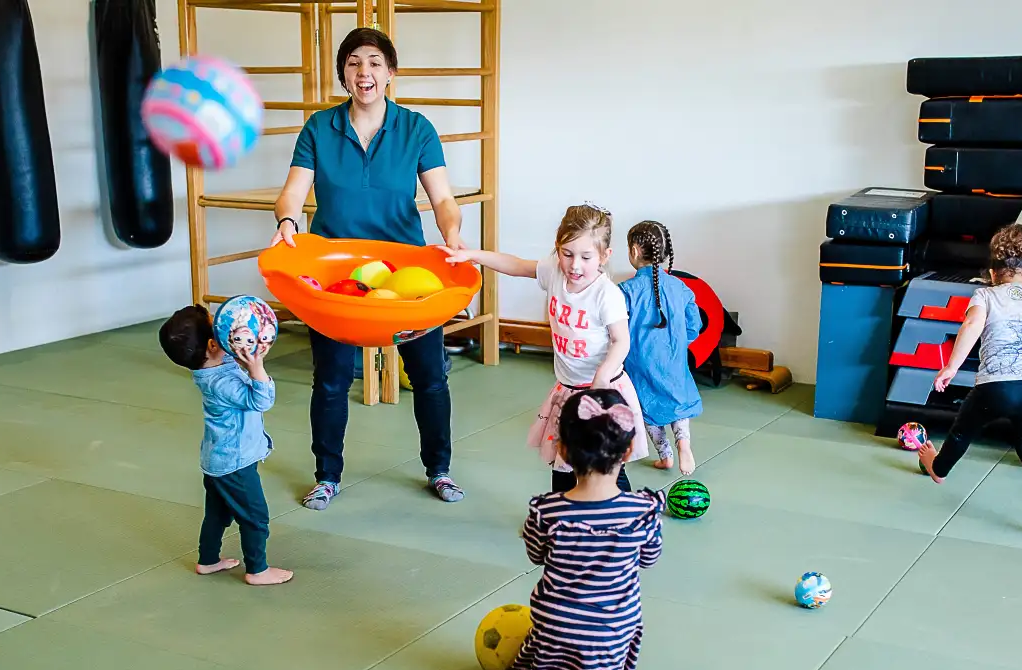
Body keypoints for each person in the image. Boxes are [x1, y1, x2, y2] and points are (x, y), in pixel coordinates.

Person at [268, 27, 466, 510]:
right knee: (331, 379)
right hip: (337, 276)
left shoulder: (416, 128)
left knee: (430, 377)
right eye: (354, 63)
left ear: (391, 73)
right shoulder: (319, 127)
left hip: (406, 274)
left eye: (375, 62)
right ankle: (327, 475)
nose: (365, 73)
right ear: (343, 74)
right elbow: (293, 191)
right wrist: (288, 220)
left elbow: (442, 198)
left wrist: (452, 234)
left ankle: (439, 470)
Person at [498, 388, 664, 670]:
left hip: (554, 622)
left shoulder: (546, 509)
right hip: (611, 628)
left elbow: (536, 556)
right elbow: (650, 559)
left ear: (564, 452)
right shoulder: (642, 511)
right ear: (626, 453)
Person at [440, 203, 648, 492]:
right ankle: (559, 521)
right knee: (563, 464)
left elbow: (621, 341)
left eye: (586, 257)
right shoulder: (555, 273)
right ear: (557, 247)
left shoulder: (606, 294)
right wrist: (472, 255)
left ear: (604, 256)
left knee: (605, 467)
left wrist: (602, 377)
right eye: (567, 254)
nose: (575, 265)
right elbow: (516, 265)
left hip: (602, 392)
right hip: (568, 390)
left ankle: (624, 519)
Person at [917, 223, 1022, 536]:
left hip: (995, 387)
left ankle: (939, 468)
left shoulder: (986, 295)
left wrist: (951, 366)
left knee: (963, 430)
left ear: (992, 274)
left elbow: (972, 326)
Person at [158, 305, 294, 586]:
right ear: (212, 344)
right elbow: (261, 401)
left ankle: (207, 561)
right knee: (255, 517)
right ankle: (257, 570)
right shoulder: (221, 383)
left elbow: (234, 362)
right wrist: (257, 368)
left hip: (217, 461)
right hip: (236, 464)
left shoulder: (213, 368)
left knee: (217, 514)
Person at [618, 220, 702, 475]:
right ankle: (683, 444)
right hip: (674, 357)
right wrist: (676, 342)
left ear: (633, 250)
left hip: (639, 361)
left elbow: (615, 328)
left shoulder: (626, 290)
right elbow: (694, 325)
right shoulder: (681, 288)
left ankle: (665, 455)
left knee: (646, 409)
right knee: (677, 402)